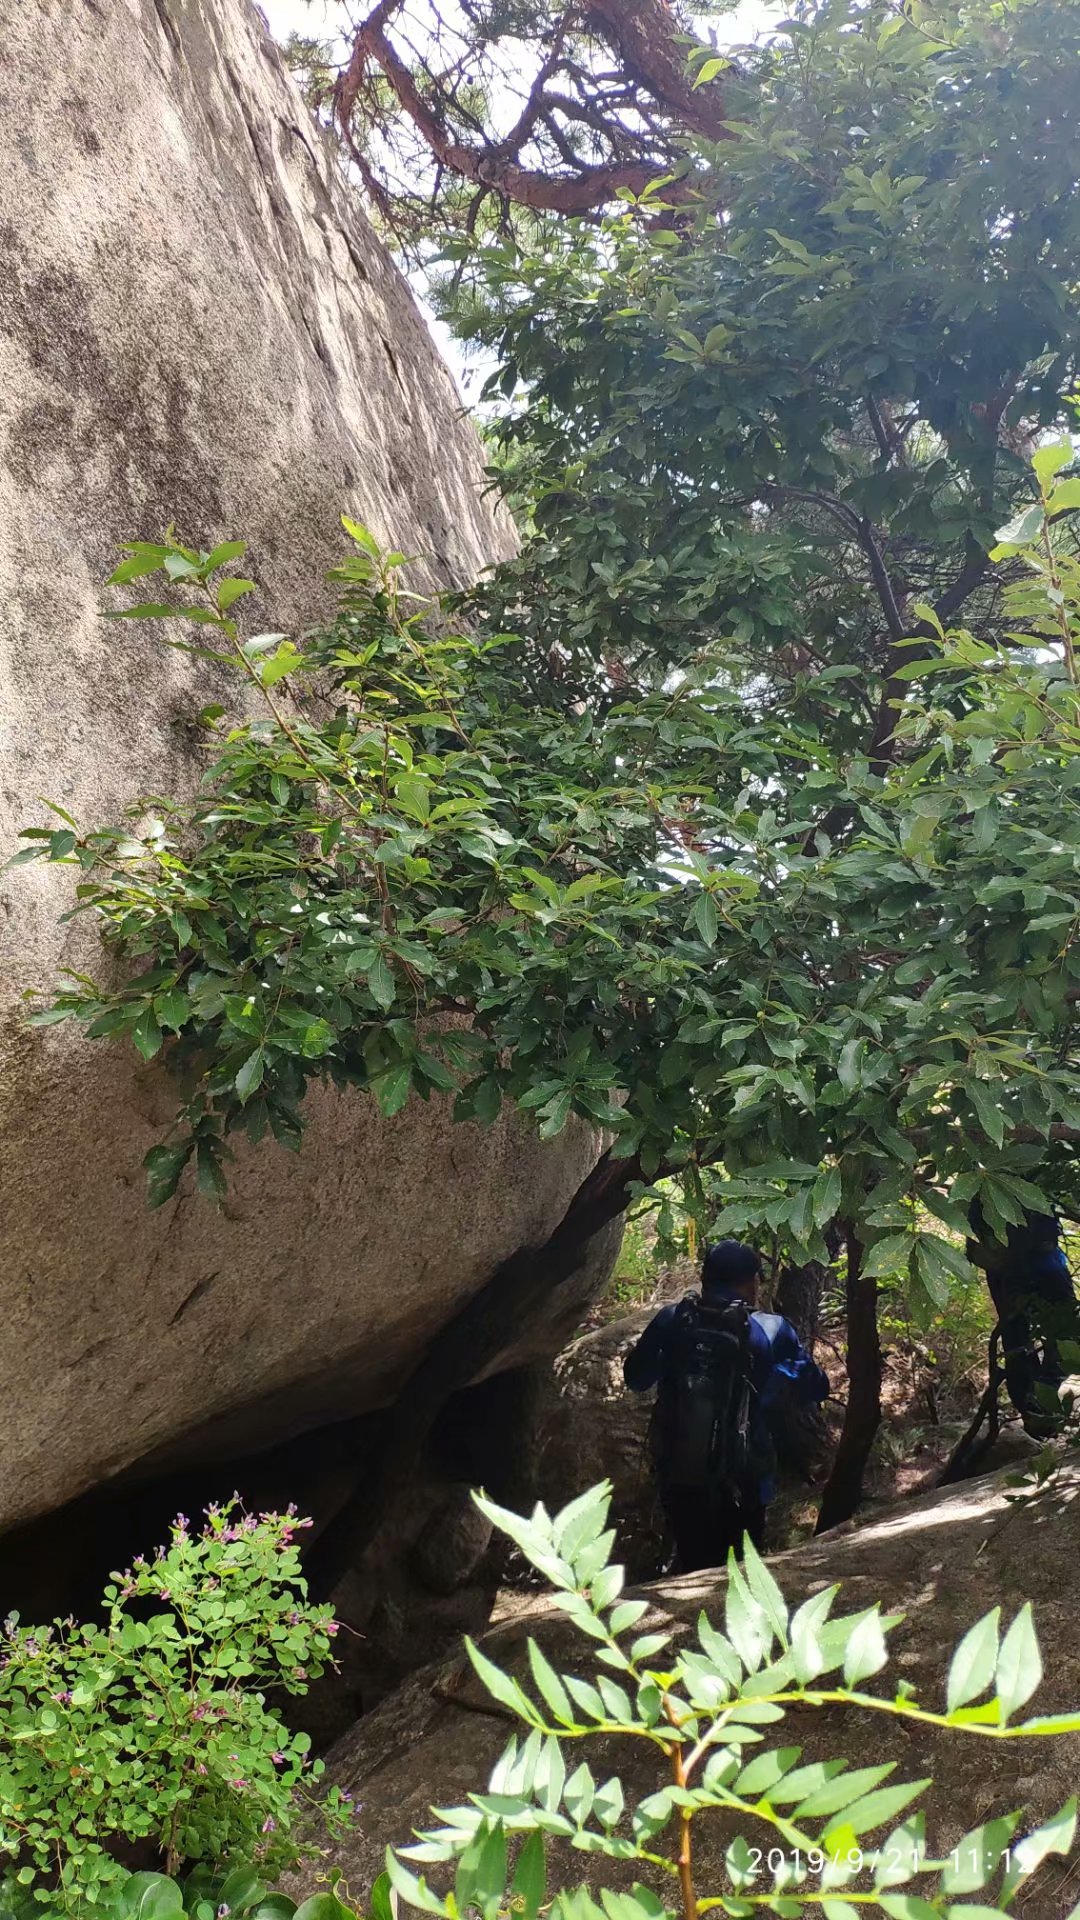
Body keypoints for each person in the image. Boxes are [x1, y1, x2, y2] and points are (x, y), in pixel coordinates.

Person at [623, 1238, 829, 1573]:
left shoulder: (672, 1319)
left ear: (704, 1277)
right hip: (746, 1481)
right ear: (752, 1283)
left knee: (692, 1568)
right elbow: (817, 1388)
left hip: (680, 1474)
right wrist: (775, 1375)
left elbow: (635, 1378)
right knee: (742, 1575)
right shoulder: (771, 1329)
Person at [965, 1203, 1080, 1435]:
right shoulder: (1009, 1175)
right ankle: (1036, 1407)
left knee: (1017, 1337)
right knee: (1054, 1333)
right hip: (1032, 1264)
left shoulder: (982, 1177)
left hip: (1010, 1266)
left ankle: (1036, 1406)